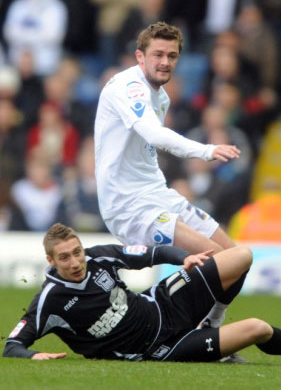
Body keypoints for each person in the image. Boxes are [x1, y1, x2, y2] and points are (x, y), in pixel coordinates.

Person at [2, 223, 281, 362]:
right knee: (258, 329)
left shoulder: (99, 257)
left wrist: (185, 258)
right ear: (50, 260)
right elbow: (12, 346)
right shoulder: (50, 300)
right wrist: (34, 357)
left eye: (77, 251)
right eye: (65, 257)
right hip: (161, 348)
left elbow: (152, 254)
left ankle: (211, 323)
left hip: (163, 302)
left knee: (242, 256)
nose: (76, 261)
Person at [93, 22, 240, 255]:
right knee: (216, 257)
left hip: (156, 194)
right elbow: (154, 134)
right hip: (128, 205)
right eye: (158, 55)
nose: (165, 62)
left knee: (235, 254)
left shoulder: (161, 98)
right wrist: (206, 150)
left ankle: (178, 292)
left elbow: (146, 150)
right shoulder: (129, 86)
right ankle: (164, 294)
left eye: (172, 56)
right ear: (140, 57)